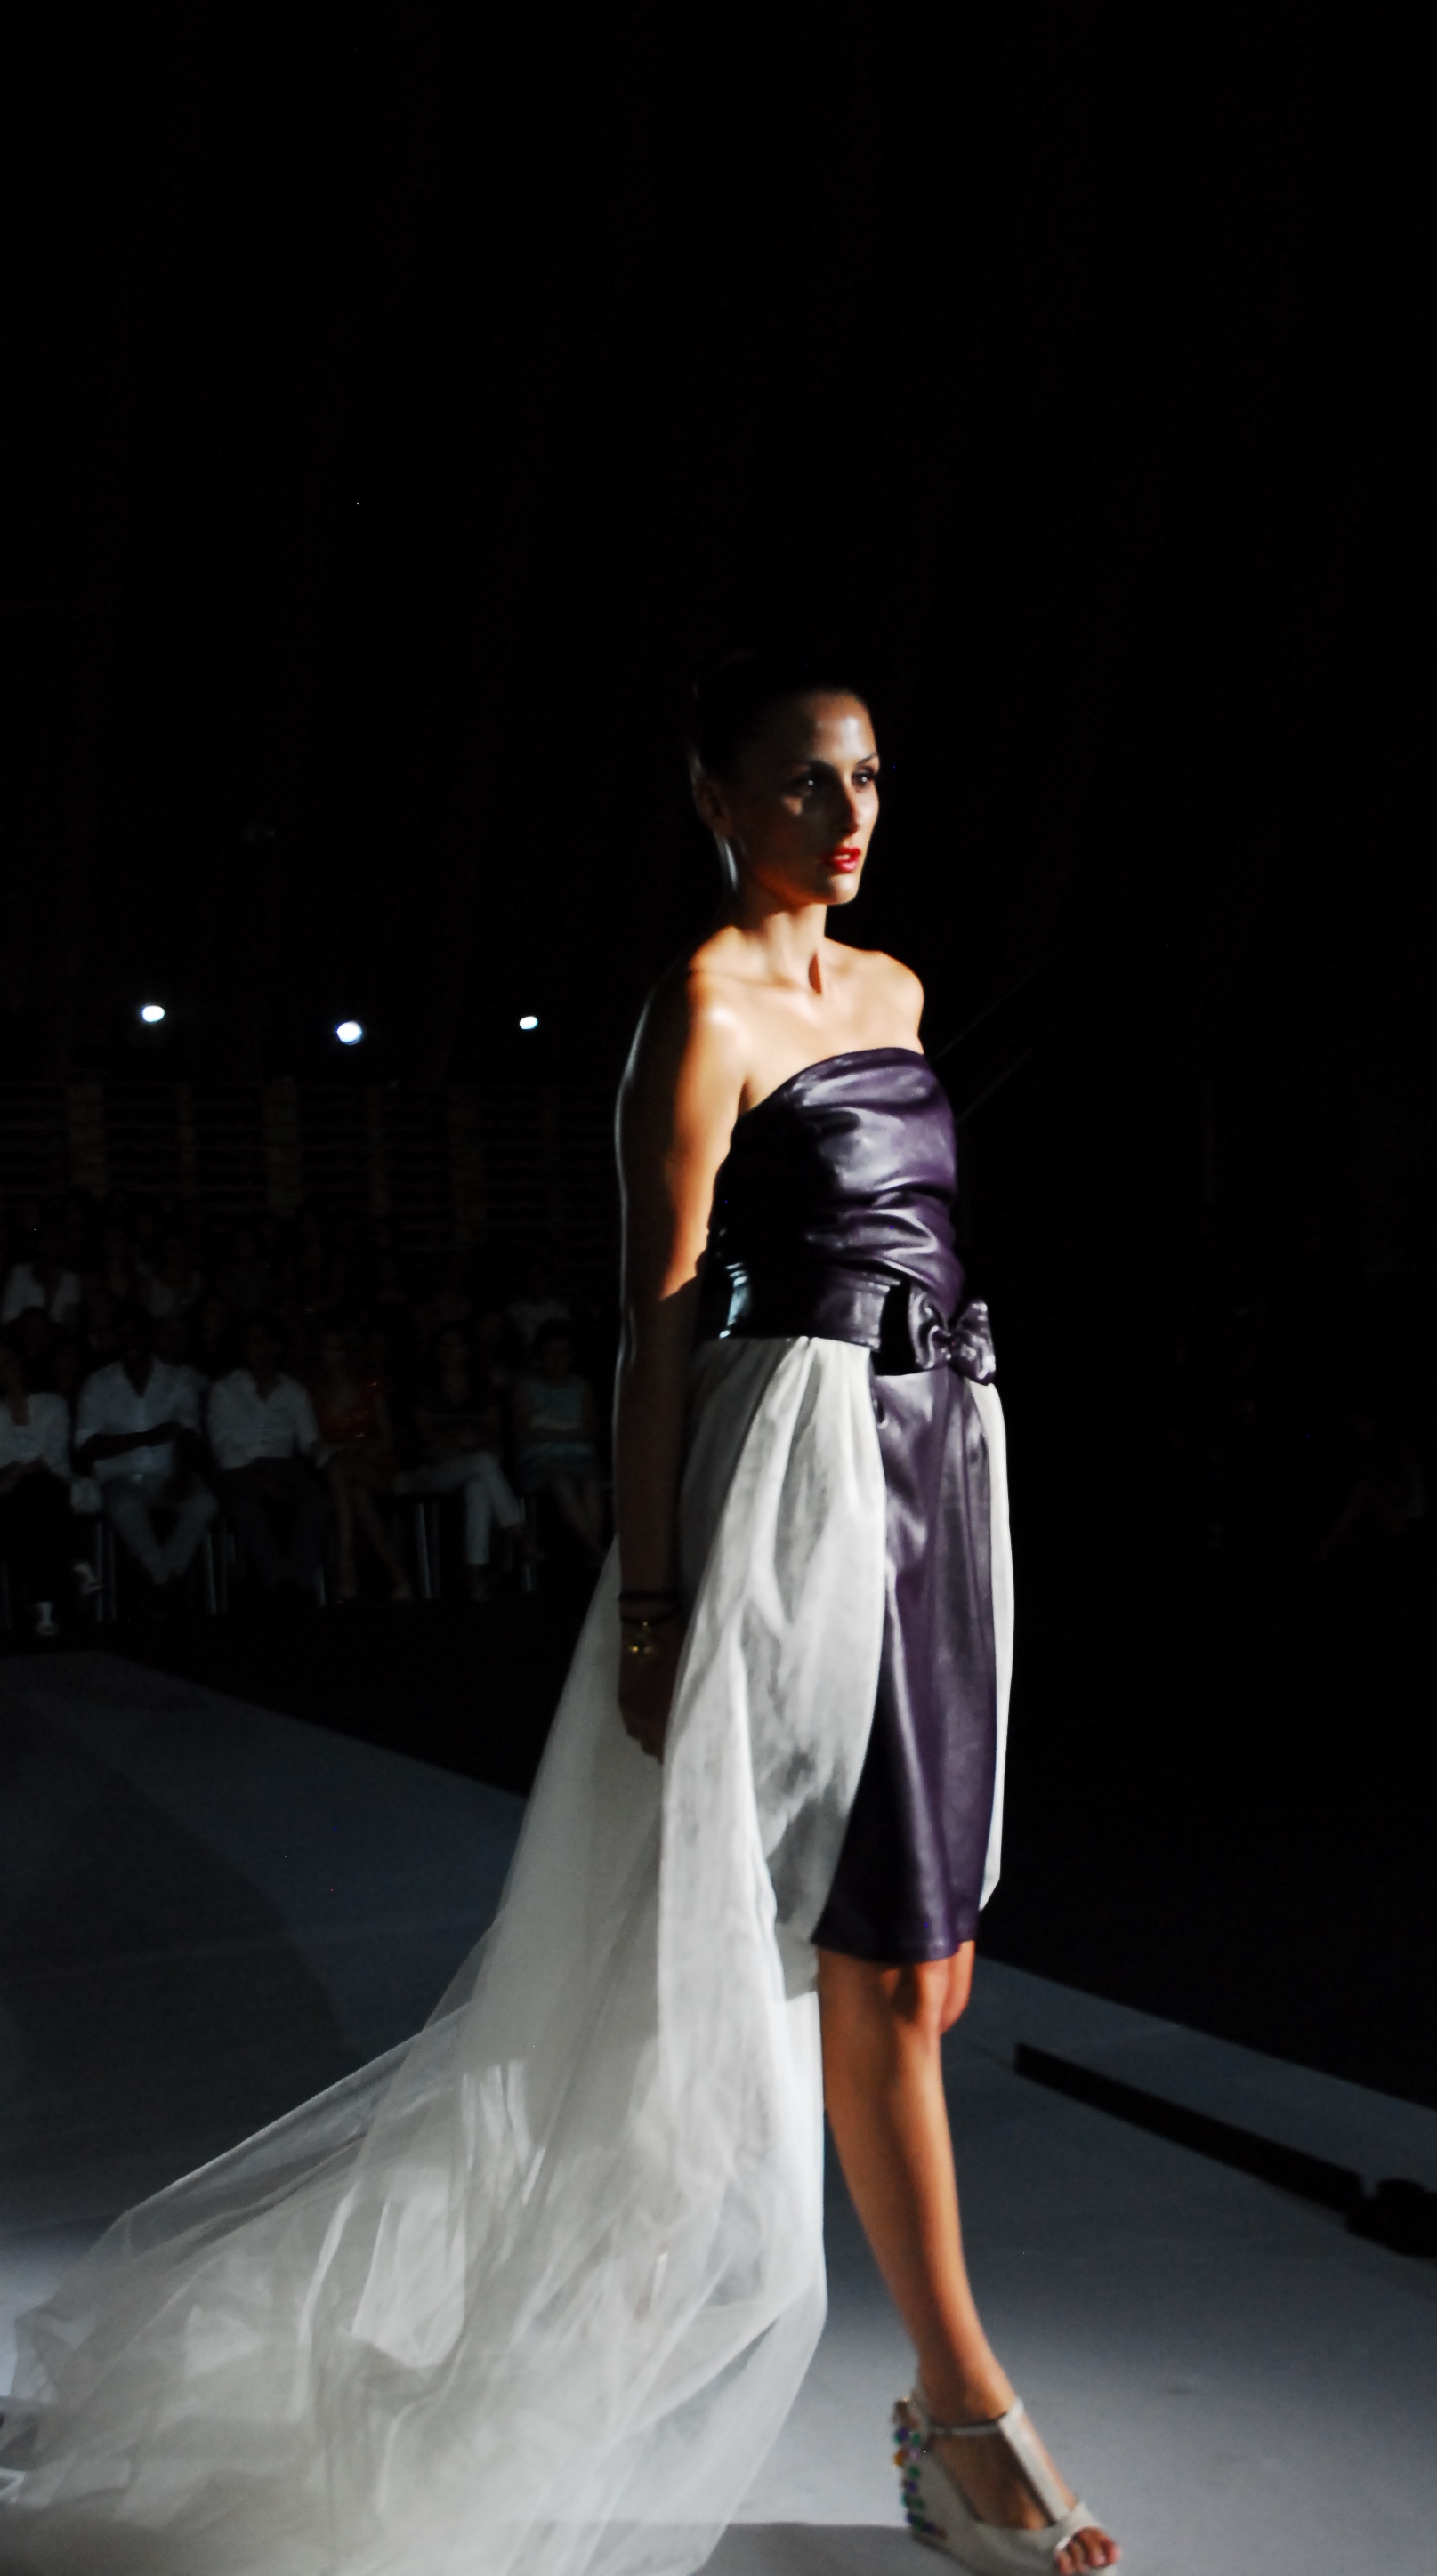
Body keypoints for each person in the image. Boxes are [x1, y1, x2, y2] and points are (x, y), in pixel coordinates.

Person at [0, 655, 1114, 2576]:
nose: (845, 815)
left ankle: (941, 2413)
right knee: (852, 1963)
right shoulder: (700, 1009)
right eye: (803, 783)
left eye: (865, 779)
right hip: (801, 1479)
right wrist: (655, 1594)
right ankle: (960, 2412)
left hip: (944, 1455)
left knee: (927, 1963)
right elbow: (656, 1323)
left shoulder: (901, 993)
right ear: (715, 799)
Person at [71, 1302, 216, 1608]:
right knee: (125, 1506)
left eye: (136, 1332)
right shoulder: (98, 1384)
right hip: (118, 1476)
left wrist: (183, 1472)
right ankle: (166, 1583)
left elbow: (189, 1430)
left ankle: (157, 1578)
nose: (131, 1340)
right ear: (115, 1337)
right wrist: (147, 1437)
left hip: (166, 1471)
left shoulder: (178, 1379)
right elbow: (86, 1445)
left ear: (149, 1334)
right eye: (123, 1333)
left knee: (204, 1503)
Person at [400, 1320, 535, 1601]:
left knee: (479, 1485)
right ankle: (519, 1535)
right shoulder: (424, 1388)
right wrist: (464, 1442)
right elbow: (427, 1442)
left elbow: (495, 1437)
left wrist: (467, 1443)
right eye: (445, 1345)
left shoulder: (481, 1388)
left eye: (457, 1345)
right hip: (435, 1471)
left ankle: (476, 1575)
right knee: (483, 1463)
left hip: (476, 1464)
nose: (451, 1351)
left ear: (468, 1351)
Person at [206, 1318, 330, 1605]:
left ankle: (300, 1581)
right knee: (245, 1501)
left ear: (276, 1347)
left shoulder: (293, 1390)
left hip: (283, 1464)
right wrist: (257, 1474)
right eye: (251, 1342)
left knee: (318, 1501)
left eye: (261, 1341)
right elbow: (222, 1443)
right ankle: (276, 1580)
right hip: (238, 1466)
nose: (255, 1349)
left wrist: (331, 1461)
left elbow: (308, 1440)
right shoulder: (225, 1388)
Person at [311, 1321, 415, 1603]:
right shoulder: (315, 1393)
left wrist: (355, 1449)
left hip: (375, 1464)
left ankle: (346, 1560)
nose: (335, 1354)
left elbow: (387, 1436)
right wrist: (342, 1450)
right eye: (329, 1348)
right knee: (357, 1494)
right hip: (342, 1472)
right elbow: (314, 1443)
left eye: (339, 1348)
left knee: (341, 1467)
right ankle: (399, 1577)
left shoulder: (370, 1385)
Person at [0, 1336, 88, 1637]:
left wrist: (20, 1469)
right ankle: (75, 1560)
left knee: (38, 1495)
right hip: (13, 1493)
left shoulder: (51, 1404)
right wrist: (15, 1472)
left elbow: (54, 1454)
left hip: (47, 1485)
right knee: (35, 1502)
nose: (5, 1370)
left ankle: (42, 1607)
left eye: (8, 1362)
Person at [513, 1318, 606, 1557]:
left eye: (563, 1352)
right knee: (559, 1479)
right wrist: (572, 1431)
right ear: (540, 1355)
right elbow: (524, 1432)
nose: (557, 1359)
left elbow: (591, 1427)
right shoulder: (526, 1387)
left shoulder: (581, 1386)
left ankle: (593, 1551)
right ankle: (596, 1551)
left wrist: (548, 1429)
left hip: (581, 1459)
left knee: (591, 1480)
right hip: (539, 1462)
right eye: (550, 1353)